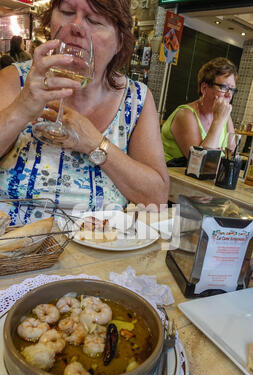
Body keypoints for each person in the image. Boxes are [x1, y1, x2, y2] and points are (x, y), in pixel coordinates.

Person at [0, 0, 169, 220]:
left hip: (100, 247)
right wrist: (21, 109)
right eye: (67, 12)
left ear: (119, 41)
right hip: (15, 247)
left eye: (94, 20)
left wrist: (94, 143)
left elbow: (156, 198)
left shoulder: (136, 99)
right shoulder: (16, 80)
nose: (77, 26)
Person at [161, 57, 238, 167]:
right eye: (224, 87)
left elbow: (231, 158)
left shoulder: (226, 117)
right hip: (172, 179)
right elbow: (199, 163)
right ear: (204, 88)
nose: (229, 94)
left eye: (232, 90)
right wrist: (218, 121)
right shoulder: (185, 114)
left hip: (204, 181)